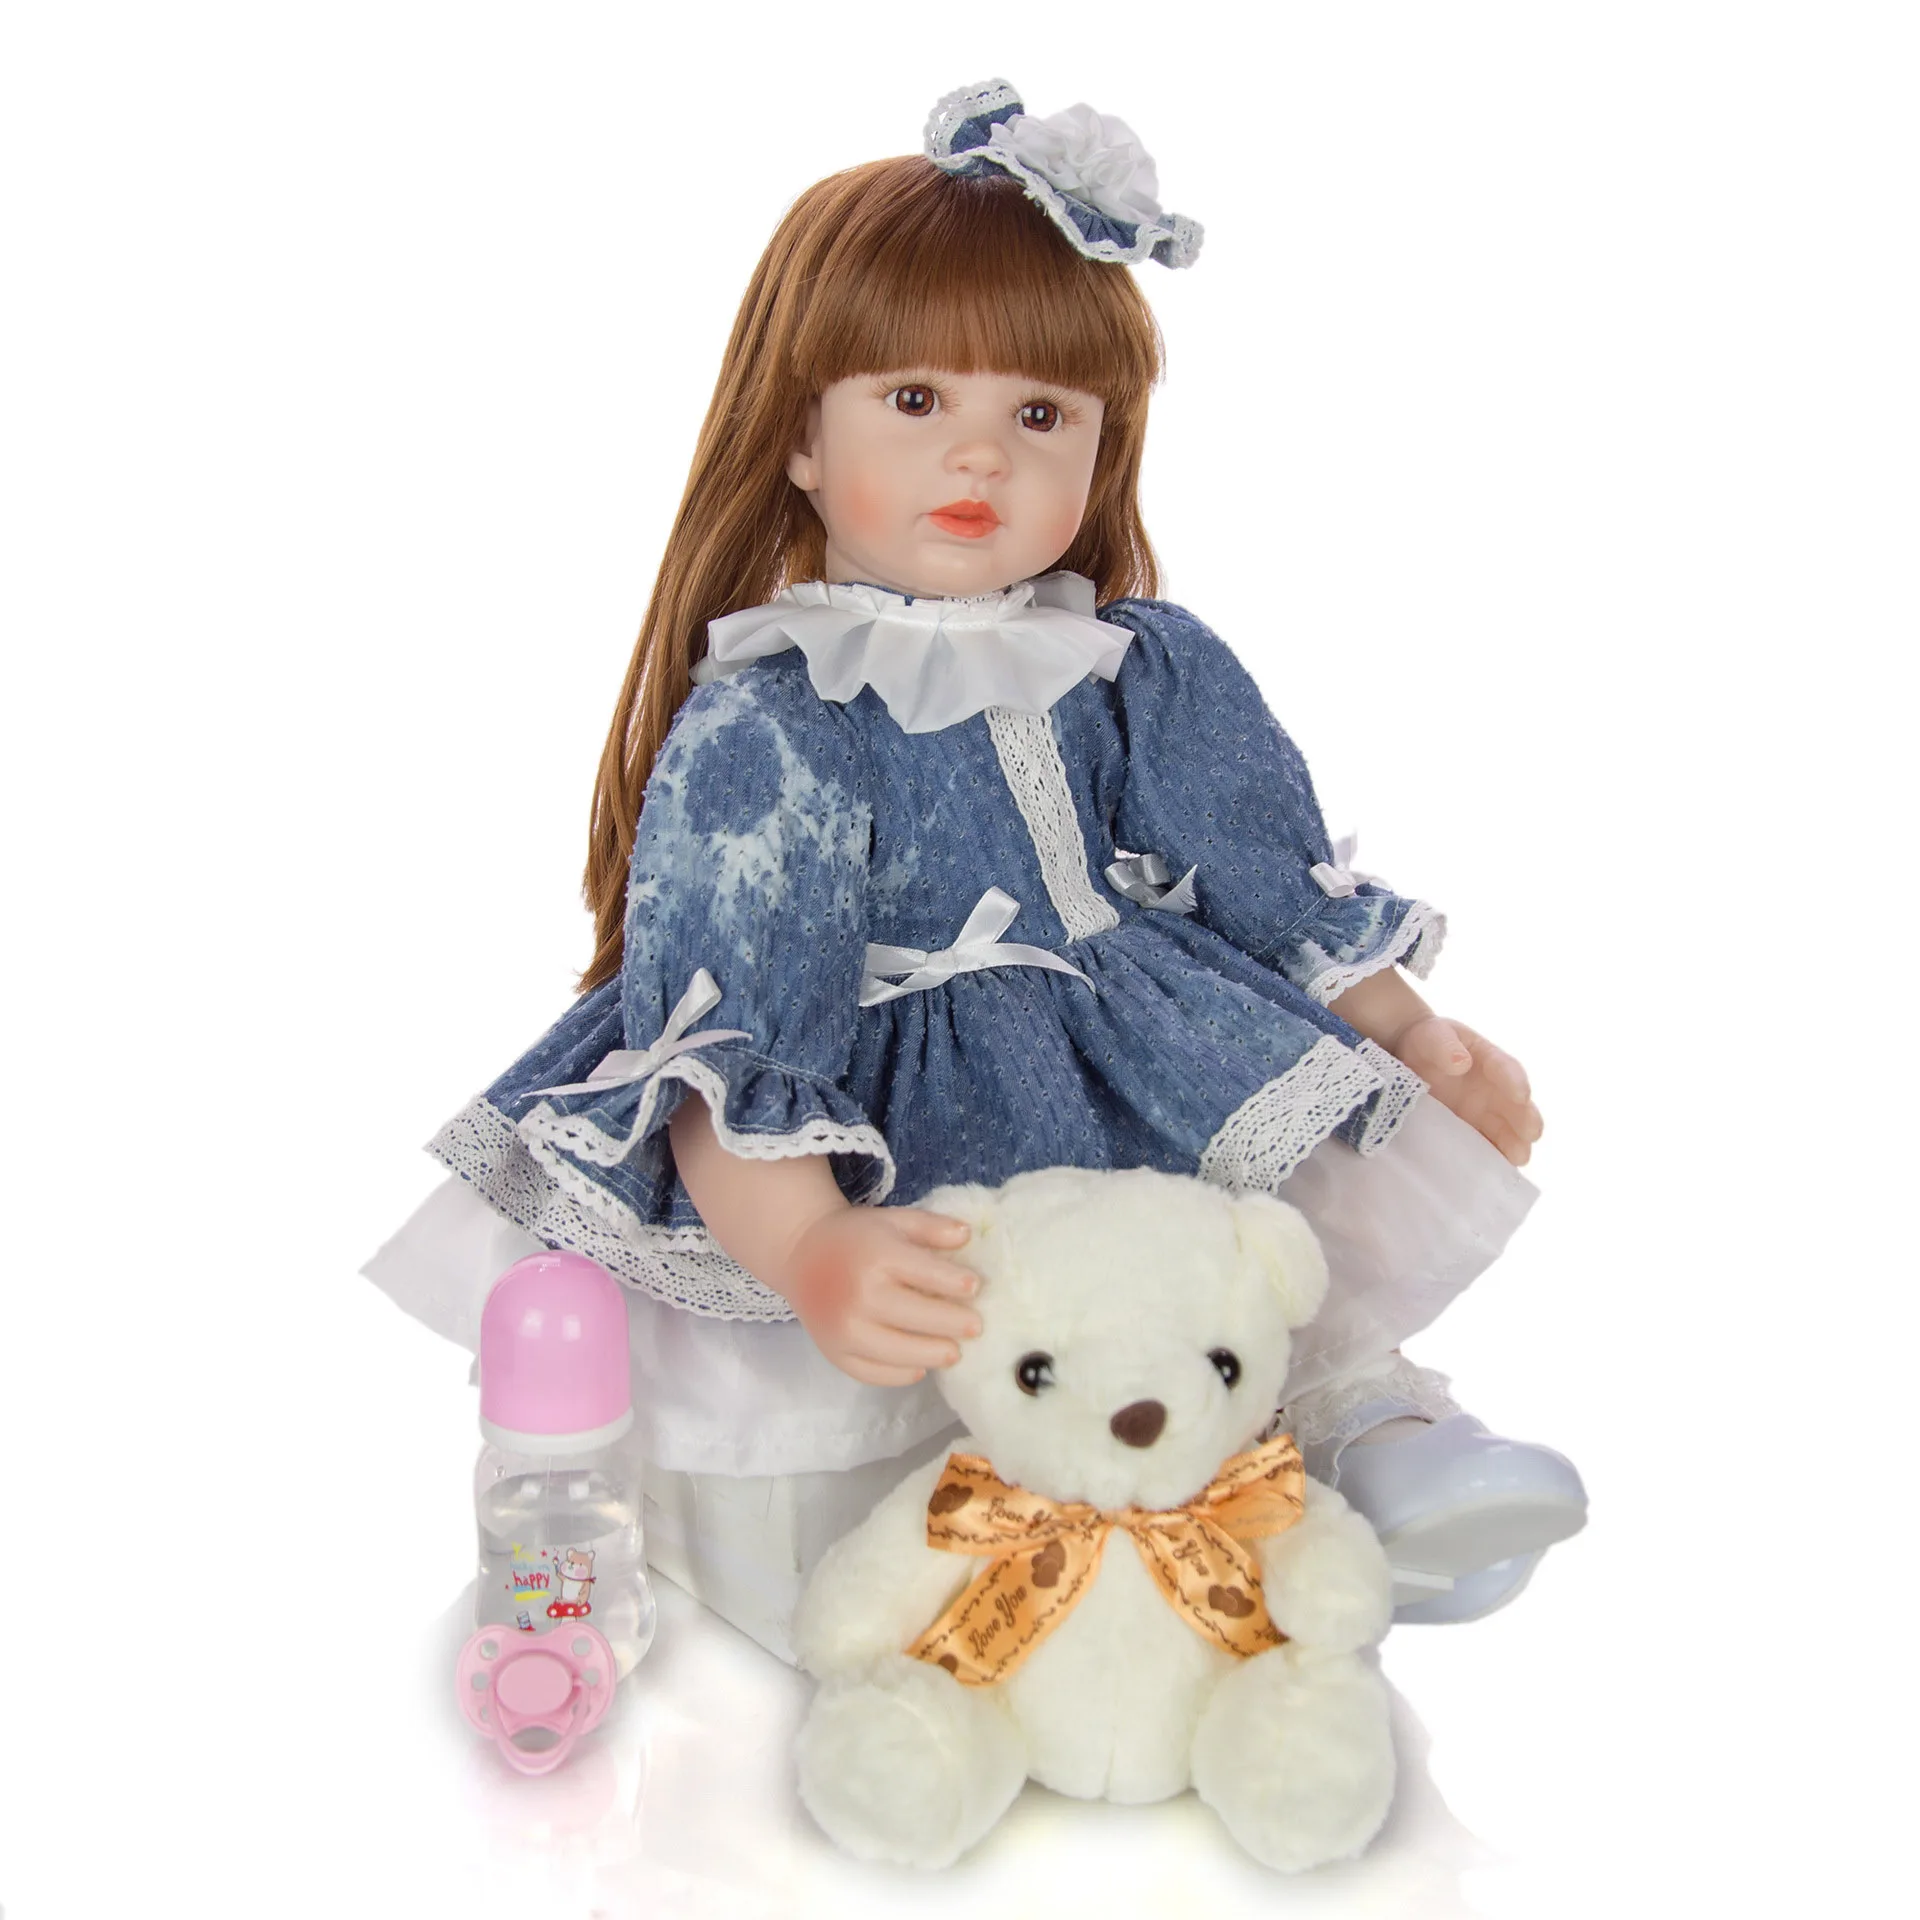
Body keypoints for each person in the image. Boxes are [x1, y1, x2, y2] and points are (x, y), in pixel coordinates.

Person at [368, 80, 1585, 1629]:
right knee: (942, 1355)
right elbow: (724, 1040)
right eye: (914, 400)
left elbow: (1260, 883)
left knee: (1246, 1245)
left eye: (1040, 416)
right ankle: (971, 1588)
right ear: (799, 437)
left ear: (1103, 442)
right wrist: (812, 1245)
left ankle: (1371, 1445)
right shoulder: (774, 723)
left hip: (1135, 1062)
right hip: (889, 1115)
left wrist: (1417, 1038)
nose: (982, 460)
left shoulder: (1141, 665)